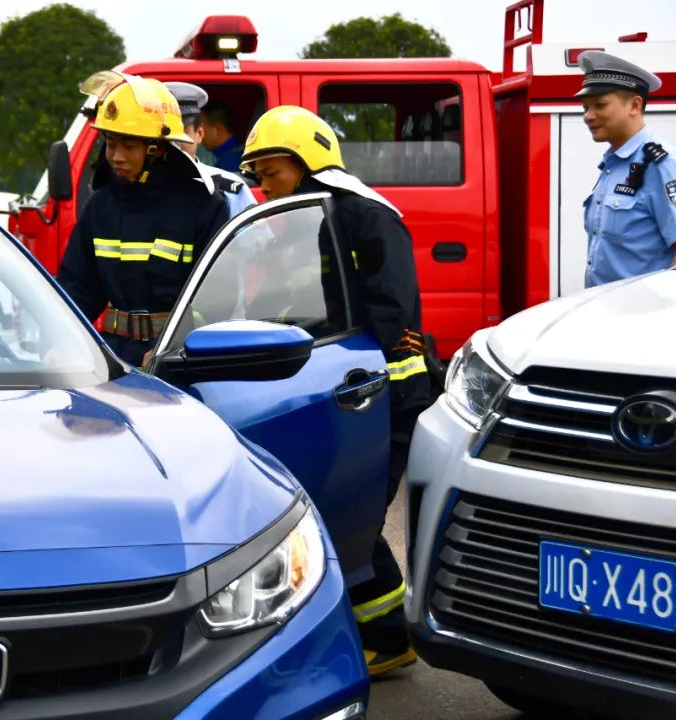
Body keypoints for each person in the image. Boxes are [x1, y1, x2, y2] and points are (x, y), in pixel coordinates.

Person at [241, 105, 430, 677]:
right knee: (339, 511)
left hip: (380, 395)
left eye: (271, 173)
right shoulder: (305, 218)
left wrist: (381, 392)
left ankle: (391, 636)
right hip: (338, 392)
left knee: (357, 514)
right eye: (257, 176)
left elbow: (392, 315)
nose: (262, 189)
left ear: (308, 164)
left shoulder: (364, 216)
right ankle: (375, 629)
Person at [57, 72, 229, 366]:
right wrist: (58, 343)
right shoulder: (100, 207)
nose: (116, 157)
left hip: (177, 361)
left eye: (129, 146)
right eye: (111, 144)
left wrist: (173, 348)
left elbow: (216, 300)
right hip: (112, 358)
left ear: (157, 149)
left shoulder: (203, 205)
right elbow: (76, 292)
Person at [578, 50, 676, 288]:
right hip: (601, 308)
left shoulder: (661, 163)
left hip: (640, 314)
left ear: (634, 105)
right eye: (585, 107)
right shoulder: (613, 164)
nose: (588, 116)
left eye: (599, 105)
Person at [165, 81, 257, 218]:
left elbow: (255, 238)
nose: (175, 142)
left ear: (200, 133)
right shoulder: (135, 187)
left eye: (184, 132)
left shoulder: (229, 191)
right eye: (166, 135)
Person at [200, 100, 245, 173]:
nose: (198, 132)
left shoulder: (231, 162)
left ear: (218, 129)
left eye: (202, 128)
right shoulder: (236, 154)